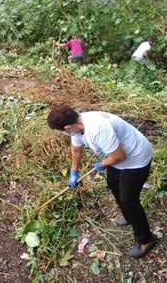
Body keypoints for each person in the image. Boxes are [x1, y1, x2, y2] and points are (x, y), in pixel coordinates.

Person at [47, 104, 157, 258]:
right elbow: (77, 149)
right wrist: (74, 171)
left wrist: (103, 164)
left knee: (128, 200)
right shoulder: (77, 126)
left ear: (67, 127)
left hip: (136, 158)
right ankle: (128, 216)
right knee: (113, 184)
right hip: (116, 157)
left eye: (62, 131)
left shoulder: (97, 128)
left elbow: (119, 156)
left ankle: (146, 240)